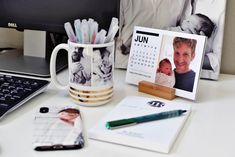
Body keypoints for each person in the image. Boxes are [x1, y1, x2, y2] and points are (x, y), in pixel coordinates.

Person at [115, 0, 195, 69]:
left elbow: (184, 32)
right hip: (124, 66)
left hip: (160, 68)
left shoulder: (185, 2)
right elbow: (110, 34)